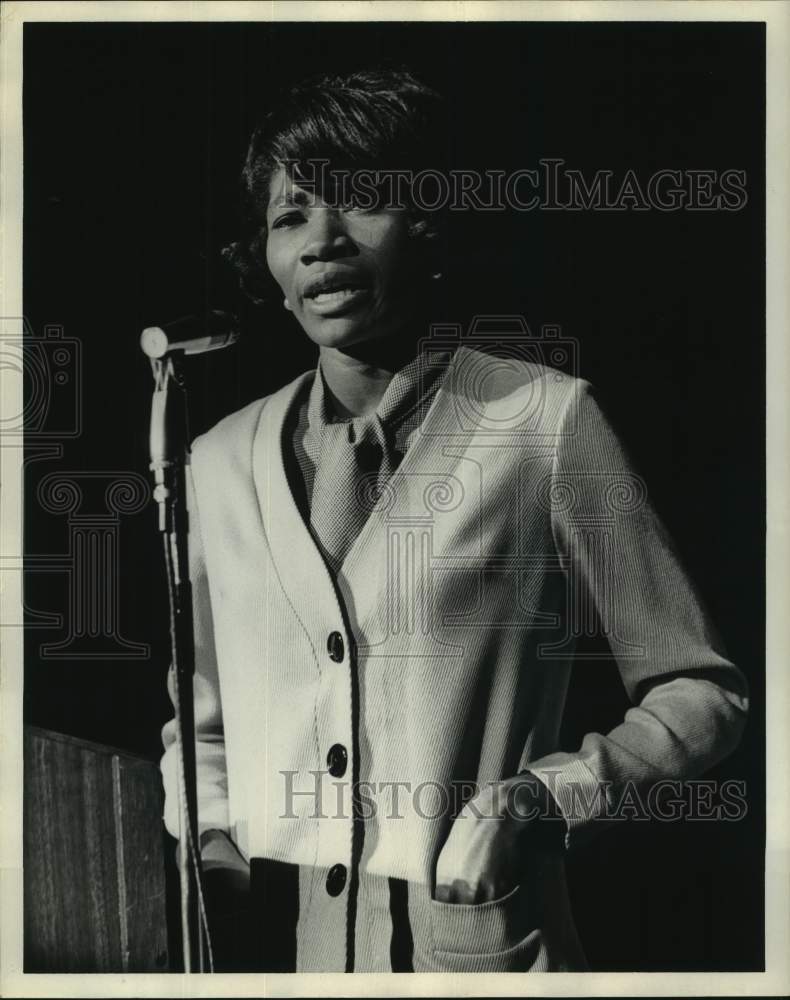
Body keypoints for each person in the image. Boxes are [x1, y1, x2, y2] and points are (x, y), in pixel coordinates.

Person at [159, 67, 749, 973]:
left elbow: (701, 694)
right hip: (277, 960)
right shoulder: (217, 461)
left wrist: (538, 803)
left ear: (428, 229)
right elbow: (199, 729)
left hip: (478, 949)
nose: (323, 242)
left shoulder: (545, 422)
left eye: (361, 203)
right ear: (267, 265)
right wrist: (212, 854)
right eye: (290, 216)